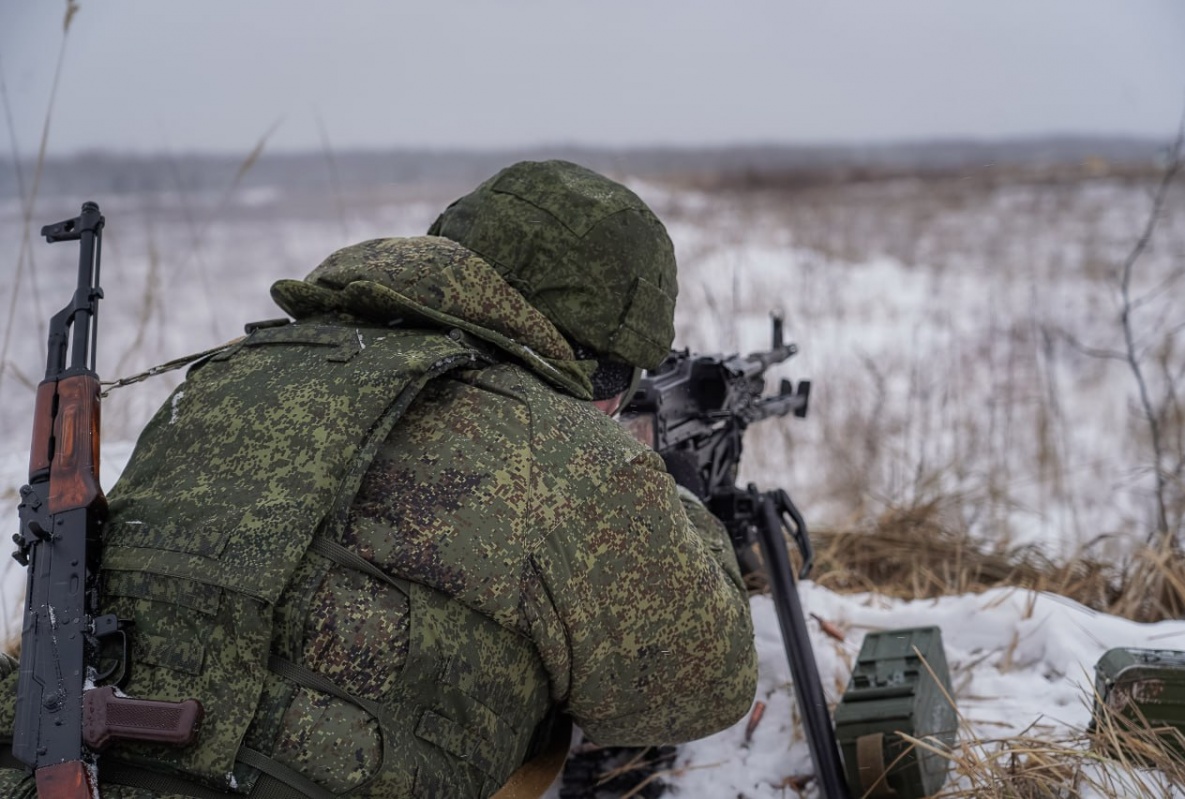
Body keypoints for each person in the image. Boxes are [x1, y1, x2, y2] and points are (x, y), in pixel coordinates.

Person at [0, 159, 757, 798]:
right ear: (602, 363)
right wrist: (674, 500)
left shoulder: (225, 372)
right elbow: (700, 687)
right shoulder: (564, 454)